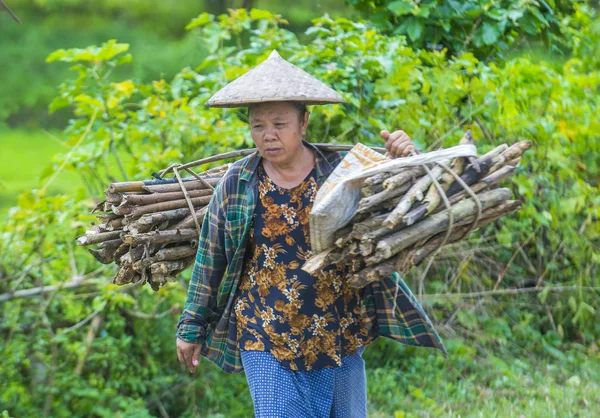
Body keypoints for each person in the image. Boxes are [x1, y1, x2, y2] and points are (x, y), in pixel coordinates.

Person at [176, 50, 446, 417]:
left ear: (304, 123)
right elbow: (211, 259)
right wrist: (191, 326)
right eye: (258, 125)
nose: (268, 135)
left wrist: (404, 156)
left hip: (338, 329)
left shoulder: (342, 172)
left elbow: (409, 202)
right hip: (264, 331)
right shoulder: (238, 183)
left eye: (280, 123)